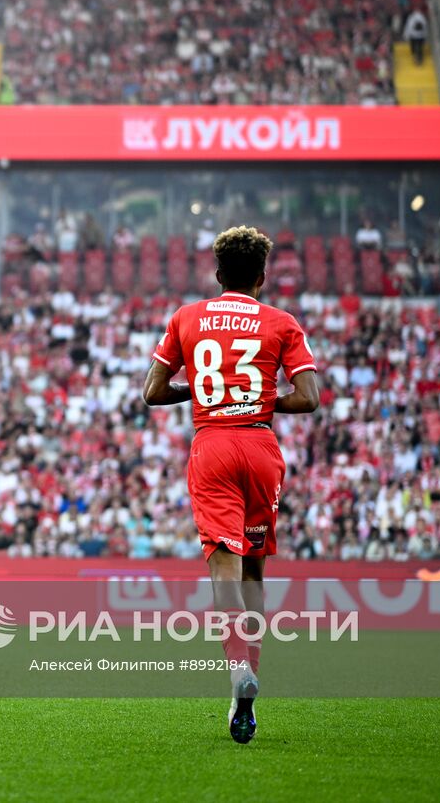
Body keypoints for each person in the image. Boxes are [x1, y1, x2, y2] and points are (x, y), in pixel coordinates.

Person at [142, 225, 320, 745]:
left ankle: (237, 667)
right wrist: (258, 400)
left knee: (225, 568)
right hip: (261, 447)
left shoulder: (186, 317)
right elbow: (308, 397)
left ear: (218, 274)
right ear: (262, 277)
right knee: (254, 572)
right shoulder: (282, 322)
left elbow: (153, 392)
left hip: (213, 445)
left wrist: (203, 392)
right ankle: (250, 688)